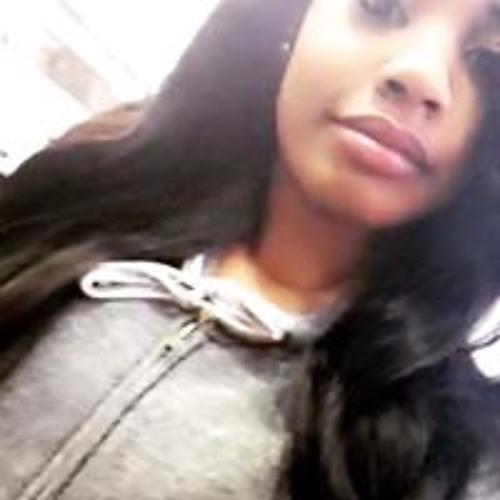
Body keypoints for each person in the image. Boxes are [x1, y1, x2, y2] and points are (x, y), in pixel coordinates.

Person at [0, 0, 500, 498]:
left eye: (487, 60)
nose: (419, 75)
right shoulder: (68, 203)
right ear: (293, 19)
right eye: (381, 7)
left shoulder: (456, 465)